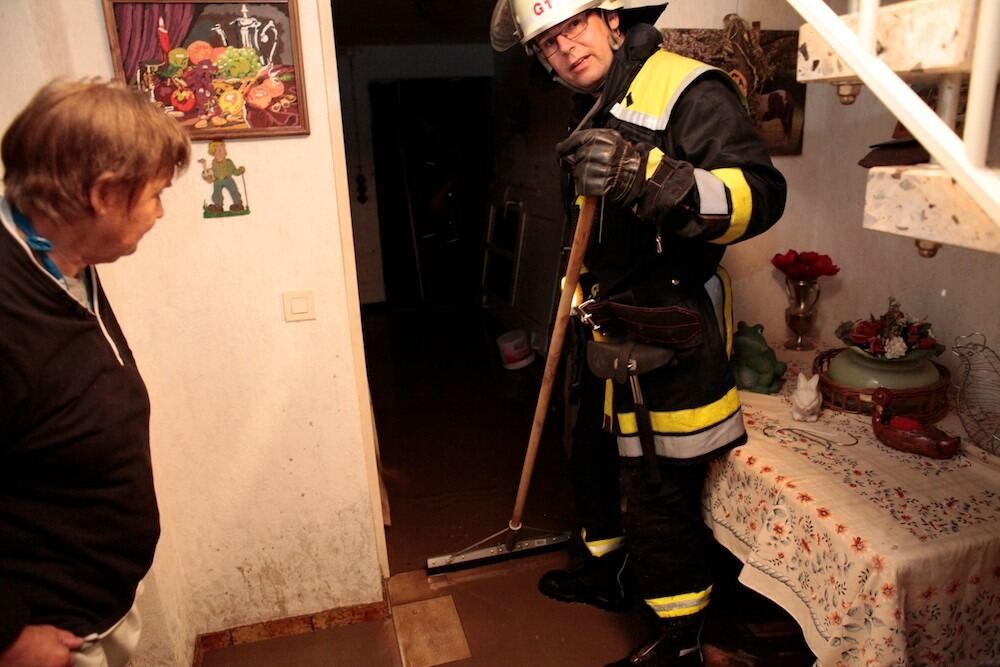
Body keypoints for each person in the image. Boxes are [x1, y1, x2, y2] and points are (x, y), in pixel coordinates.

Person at [490, 2, 786, 665]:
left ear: (614, 20)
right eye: (545, 44)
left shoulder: (687, 88)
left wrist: (644, 176)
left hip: (667, 336)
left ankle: (681, 640)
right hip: (601, 324)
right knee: (591, 459)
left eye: (572, 26)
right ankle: (606, 575)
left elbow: (760, 196)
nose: (562, 49)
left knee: (658, 496)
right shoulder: (594, 98)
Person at [0, 79, 189, 667]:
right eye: (155, 195)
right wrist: (6, 634)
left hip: (97, 601)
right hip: (47, 636)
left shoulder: (62, 257)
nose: (159, 212)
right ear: (105, 194)